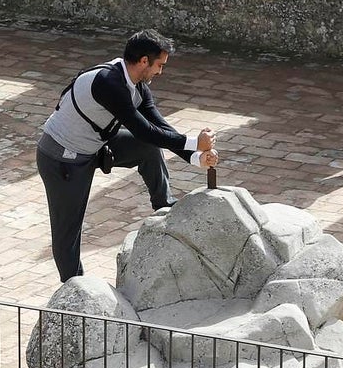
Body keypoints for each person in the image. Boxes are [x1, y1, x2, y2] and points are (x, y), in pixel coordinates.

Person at [36, 29, 219, 282]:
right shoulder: (108, 83)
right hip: (63, 159)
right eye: (159, 65)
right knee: (68, 231)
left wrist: (196, 155)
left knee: (147, 148)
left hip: (95, 147)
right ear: (144, 61)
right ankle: (76, 289)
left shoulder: (138, 86)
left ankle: (163, 205)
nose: (160, 72)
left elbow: (158, 127)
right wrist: (193, 142)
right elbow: (141, 128)